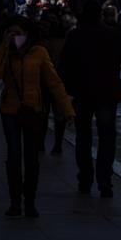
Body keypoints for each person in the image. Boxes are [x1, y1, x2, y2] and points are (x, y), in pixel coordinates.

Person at [0, 19, 75, 218]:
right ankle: (15, 202)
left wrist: (67, 109)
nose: (14, 36)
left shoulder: (39, 52)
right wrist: (3, 46)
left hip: (32, 109)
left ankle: (29, 201)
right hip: (10, 110)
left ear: (27, 34)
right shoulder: (6, 52)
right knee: (13, 154)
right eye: (10, 32)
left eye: (17, 33)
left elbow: (54, 82)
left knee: (31, 157)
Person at [61, 3, 121, 197]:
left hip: (82, 90)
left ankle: (85, 177)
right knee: (107, 136)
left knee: (83, 136)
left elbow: (65, 64)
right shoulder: (111, 34)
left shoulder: (75, 35)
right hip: (107, 90)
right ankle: (104, 179)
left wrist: (66, 89)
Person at [40, 14, 70, 155]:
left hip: (45, 81)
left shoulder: (41, 43)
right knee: (58, 114)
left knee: (43, 113)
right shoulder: (64, 42)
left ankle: (42, 142)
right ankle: (57, 144)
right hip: (58, 81)